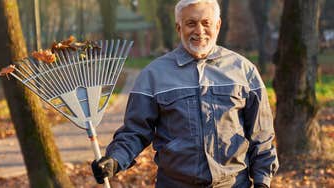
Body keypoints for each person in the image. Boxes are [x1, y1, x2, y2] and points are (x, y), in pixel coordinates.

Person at [91, 0, 279, 187]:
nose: (199, 31)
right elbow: (135, 131)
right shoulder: (153, 75)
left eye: (206, 23)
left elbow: (261, 134)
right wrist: (115, 160)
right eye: (191, 23)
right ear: (179, 27)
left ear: (218, 25)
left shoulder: (244, 71)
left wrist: (263, 181)